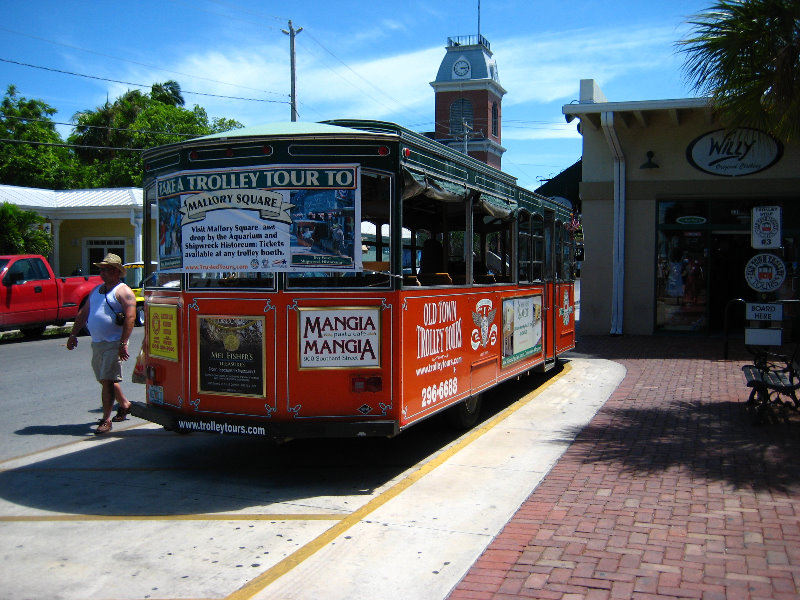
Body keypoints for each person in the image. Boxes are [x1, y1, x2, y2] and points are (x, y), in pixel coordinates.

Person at [66, 253, 136, 434]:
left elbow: (130, 317)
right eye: (101, 269)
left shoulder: (123, 291)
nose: (101, 273)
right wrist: (73, 334)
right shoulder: (96, 290)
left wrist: (123, 343)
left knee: (107, 380)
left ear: (114, 271)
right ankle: (125, 404)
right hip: (97, 343)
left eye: (104, 269)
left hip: (113, 343)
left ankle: (106, 420)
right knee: (105, 379)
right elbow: (84, 313)